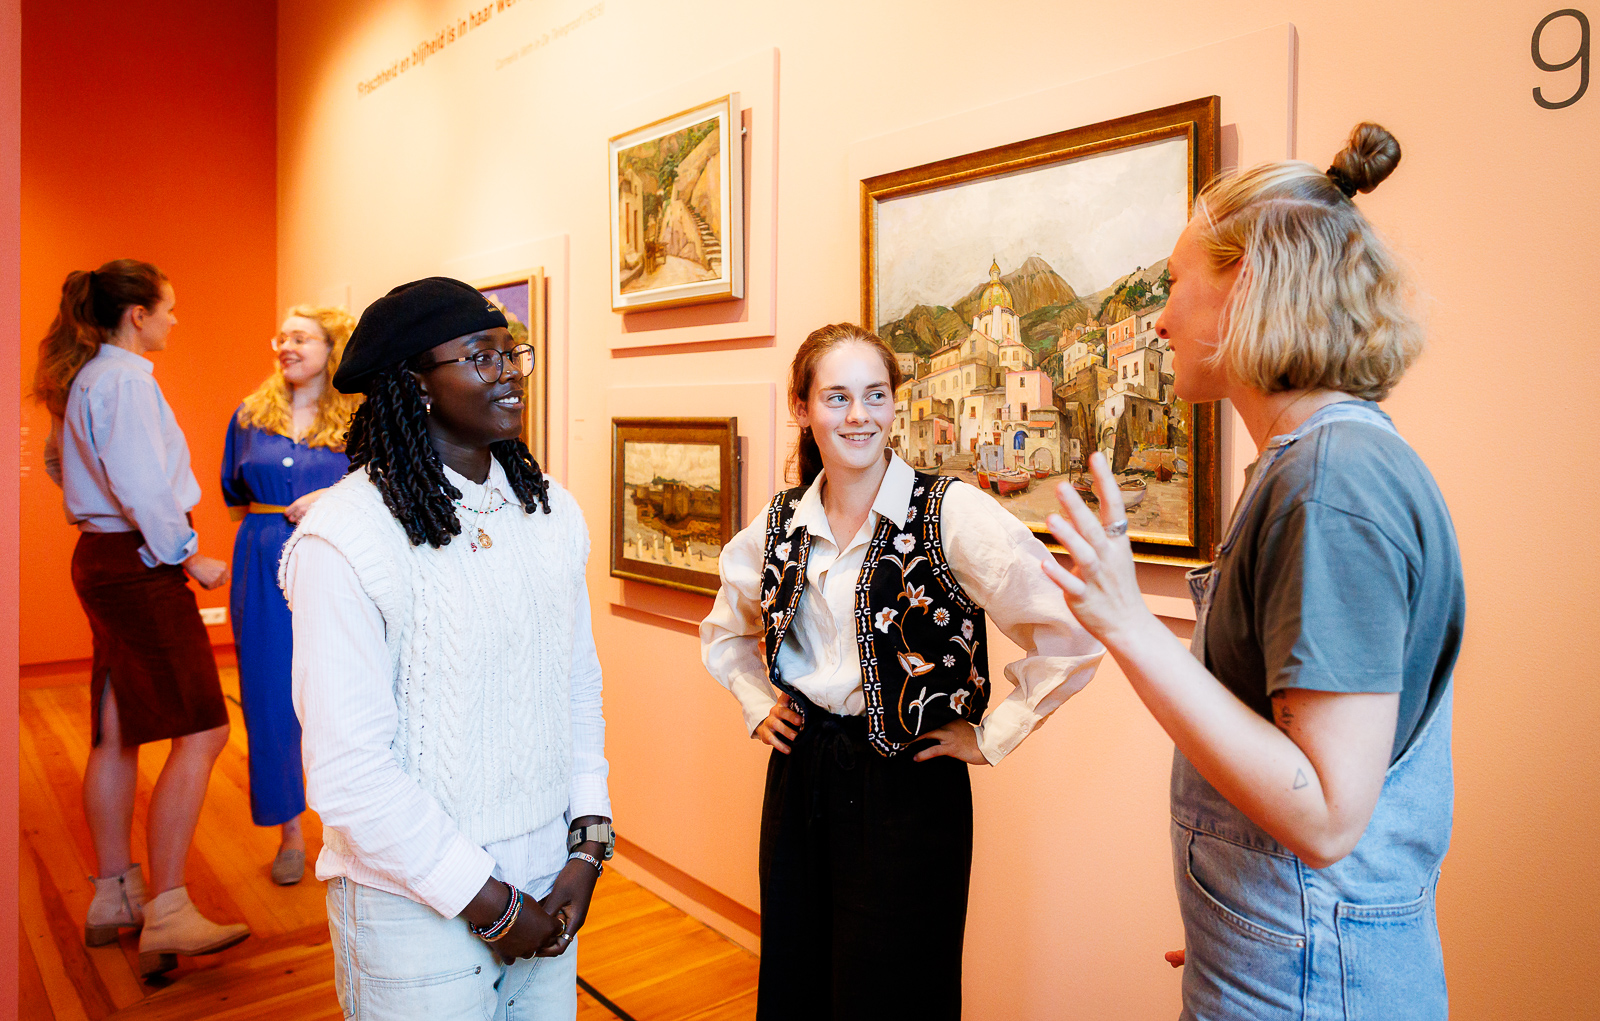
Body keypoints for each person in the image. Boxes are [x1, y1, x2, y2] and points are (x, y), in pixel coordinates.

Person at [1041, 124, 1462, 1020]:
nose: (1158, 317)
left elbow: (1326, 814)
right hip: (1291, 960)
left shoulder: (1330, 481)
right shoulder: (1312, 462)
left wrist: (1126, 621)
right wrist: (1238, 913)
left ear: (1249, 285)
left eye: (1174, 283)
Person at [700, 323, 1104, 1020]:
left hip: (910, 785)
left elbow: (1068, 632)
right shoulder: (776, 525)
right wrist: (753, 699)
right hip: (803, 774)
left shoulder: (953, 513)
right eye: (836, 397)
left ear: (894, 404)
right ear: (801, 408)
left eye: (875, 395)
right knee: (798, 972)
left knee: (897, 984)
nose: (858, 416)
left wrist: (991, 734)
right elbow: (724, 630)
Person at [279, 277, 613, 1020]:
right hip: (413, 907)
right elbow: (349, 772)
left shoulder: (552, 510)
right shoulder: (345, 538)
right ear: (415, 386)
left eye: (512, 352)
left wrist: (587, 847)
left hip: (547, 879)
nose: (509, 371)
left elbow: (575, 689)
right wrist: (490, 902)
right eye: (480, 356)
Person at [36, 259, 251, 977]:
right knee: (205, 727)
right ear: (137, 315)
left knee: (117, 727)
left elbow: (62, 467)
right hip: (138, 564)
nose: (174, 319)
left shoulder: (85, 377)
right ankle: (169, 908)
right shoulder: (125, 381)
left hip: (101, 557)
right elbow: (140, 484)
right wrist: (190, 556)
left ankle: (112, 897)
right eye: (169, 307)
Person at [222, 304, 362, 885]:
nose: (286, 344)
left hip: (336, 560)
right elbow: (234, 493)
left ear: (332, 348)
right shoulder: (249, 415)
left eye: (301, 337)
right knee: (271, 699)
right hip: (261, 558)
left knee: (341, 691)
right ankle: (290, 833)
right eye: (282, 336)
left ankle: (349, 827)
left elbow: (382, 485)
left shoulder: (358, 417)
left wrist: (331, 499)